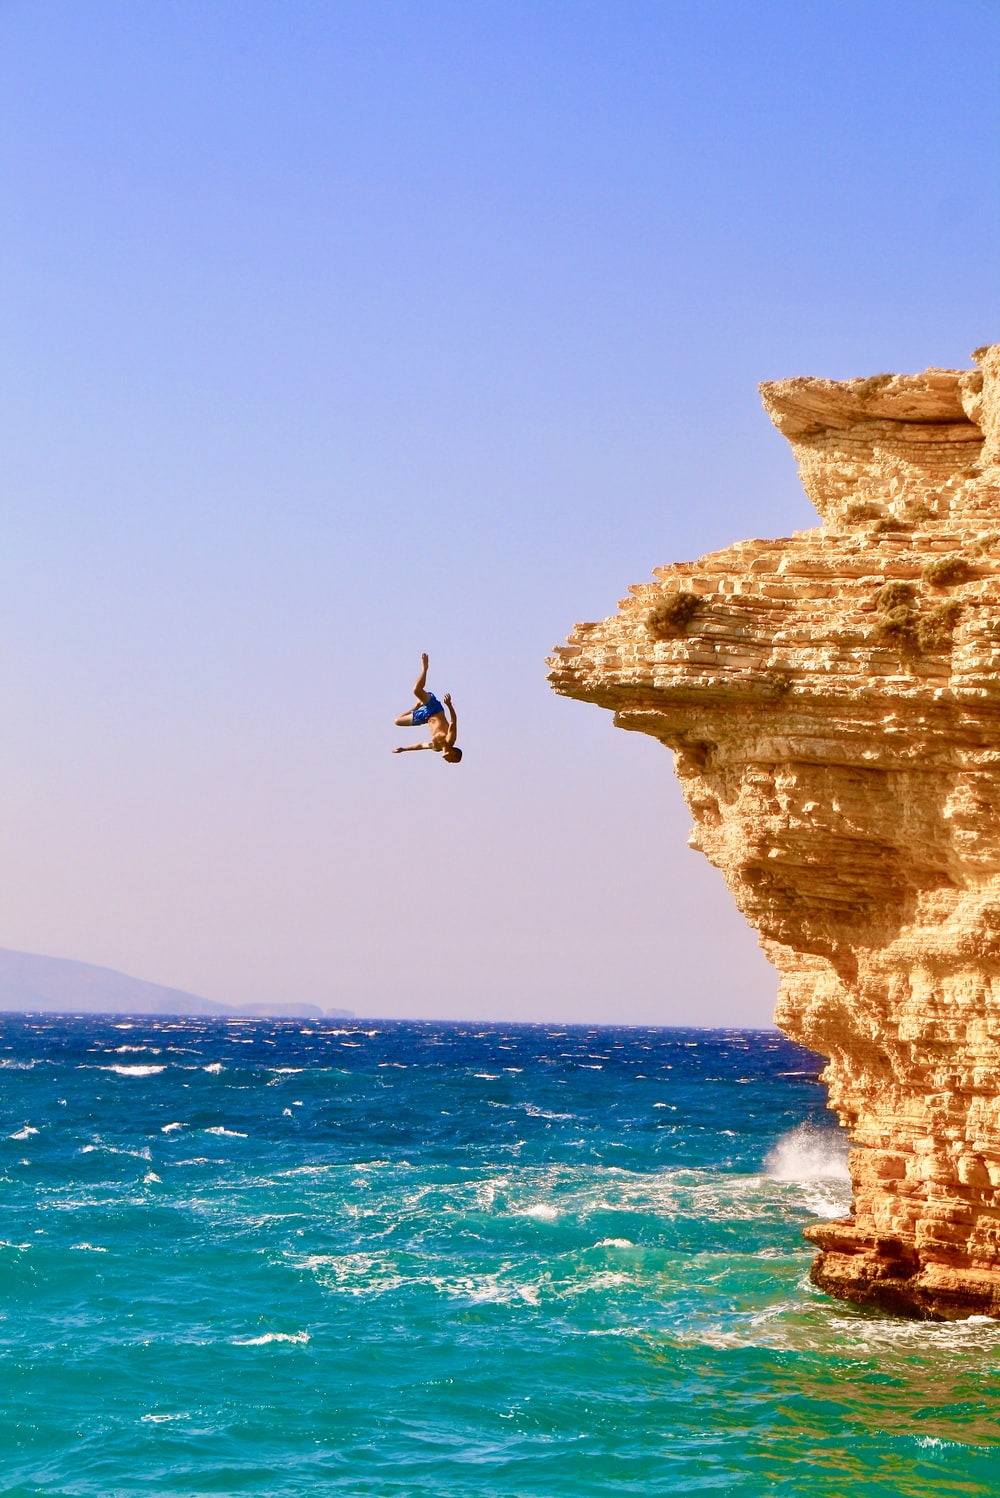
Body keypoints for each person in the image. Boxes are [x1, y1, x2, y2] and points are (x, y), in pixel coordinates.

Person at [392, 653, 462, 763]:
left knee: (397, 721)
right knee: (416, 690)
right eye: (453, 760)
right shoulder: (450, 740)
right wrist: (449, 705)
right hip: (435, 709)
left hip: (425, 717)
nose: (449, 762)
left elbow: (421, 745)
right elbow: (453, 721)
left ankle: (417, 706)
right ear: (455, 753)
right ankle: (425, 669)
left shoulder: (436, 747)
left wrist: (404, 749)